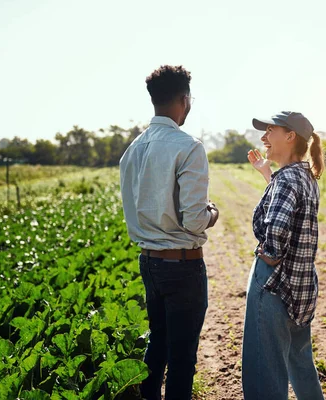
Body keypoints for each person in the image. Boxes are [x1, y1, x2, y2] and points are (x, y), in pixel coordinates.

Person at [119, 65, 219, 400]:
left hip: (148, 262)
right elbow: (194, 220)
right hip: (182, 265)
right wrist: (213, 213)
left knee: (157, 343)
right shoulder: (188, 146)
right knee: (182, 358)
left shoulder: (132, 149)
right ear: (184, 99)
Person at [242, 111, 325, 400]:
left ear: (290, 136)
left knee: (264, 370)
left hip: (275, 284)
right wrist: (268, 174)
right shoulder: (305, 176)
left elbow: (277, 229)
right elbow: (290, 210)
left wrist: (268, 255)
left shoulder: (287, 180)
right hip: (301, 285)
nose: (264, 137)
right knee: (301, 364)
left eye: (270, 131)